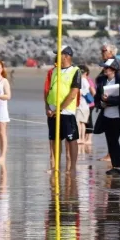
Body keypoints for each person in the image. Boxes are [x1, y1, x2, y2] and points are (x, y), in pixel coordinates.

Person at [92, 59, 120, 176]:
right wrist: (101, 104)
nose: (104, 70)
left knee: (114, 141)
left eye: (107, 68)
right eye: (104, 68)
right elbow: (96, 98)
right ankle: (115, 166)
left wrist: (108, 100)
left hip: (118, 117)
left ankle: (117, 167)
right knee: (110, 142)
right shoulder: (102, 82)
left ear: (113, 69)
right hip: (106, 116)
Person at [44, 45, 81, 174]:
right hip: (52, 111)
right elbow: (49, 90)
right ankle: (56, 166)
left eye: (58, 54)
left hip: (66, 112)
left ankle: (72, 167)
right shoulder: (54, 70)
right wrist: (47, 106)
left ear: (66, 56)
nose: (56, 57)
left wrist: (59, 109)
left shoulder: (75, 71)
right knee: (54, 139)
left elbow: (73, 93)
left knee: (71, 139)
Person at [96, 43, 118, 162]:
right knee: (108, 129)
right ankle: (110, 154)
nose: (102, 52)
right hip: (107, 100)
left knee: (112, 130)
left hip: (111, 100)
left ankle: (111, 155)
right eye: (102, 50)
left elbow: (114, 82)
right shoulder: (107, 64)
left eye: (104, 50)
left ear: (111, 52)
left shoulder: (113, 64)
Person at [79, 65, 96, 144]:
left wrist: (88, 98)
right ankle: (85, 138)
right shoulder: (85, 80)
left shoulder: (87, 80)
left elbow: (93, 92)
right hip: (87, 103)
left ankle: (89, 139)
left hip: (89, 103)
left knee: (88, 121)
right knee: (85, 121)